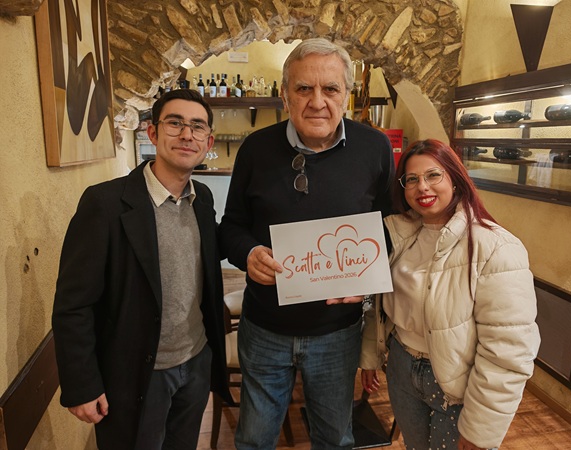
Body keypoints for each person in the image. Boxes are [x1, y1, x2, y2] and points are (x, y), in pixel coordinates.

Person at [218, 38, 394, 449]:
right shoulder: (256, 149)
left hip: (338, 332)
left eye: (330, 88)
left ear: (346, 95)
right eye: (303, 89)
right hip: (264, 328)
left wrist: (366, 278)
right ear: (285, 95)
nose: (317, 101)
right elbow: (231, 228)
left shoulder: (375, 148)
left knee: (334, 439)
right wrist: (248, 253)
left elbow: (391, 228)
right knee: (254, 440)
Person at [52, 89, 232, 450]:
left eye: (198, 127)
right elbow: (73, 304)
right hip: (137, 373)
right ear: (152, 132)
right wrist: (82, 384)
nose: (187, 134)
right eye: (175, 123)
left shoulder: (202, 199)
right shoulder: (105, 204)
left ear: (208, 141)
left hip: (195, 363)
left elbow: (211, 257)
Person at [360, 139, 541, 450]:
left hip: (457, 381)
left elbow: (509, 350)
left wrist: (481, 430)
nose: (422, 187)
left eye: (434, 175)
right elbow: (377, 306)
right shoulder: (397, 237)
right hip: (401, 367)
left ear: (455, 179)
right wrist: (369, 357)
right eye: (411, 179)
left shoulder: (496, 247)